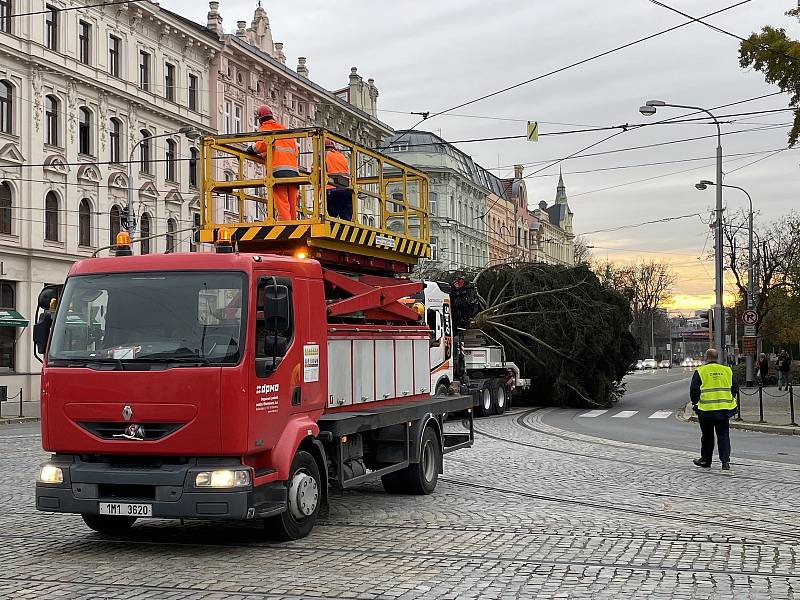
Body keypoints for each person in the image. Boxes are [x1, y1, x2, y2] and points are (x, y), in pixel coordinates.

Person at [690, 348, 738, 471]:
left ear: (706, 357)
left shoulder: (700, 371)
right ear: (717, 358)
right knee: (723, 435)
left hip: (706, 410)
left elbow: (694, 391)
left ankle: (706, 460)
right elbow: (734, 388)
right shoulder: (727, 370)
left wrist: (696, 404)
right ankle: (725, 461)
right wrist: (729, 399)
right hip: (724, 409)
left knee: (707, 436)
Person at [251, 105, 298, 221]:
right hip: (293, 173)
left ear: (260, 120)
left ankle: (287, 228)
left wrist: (251, 149)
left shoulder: (264, 129)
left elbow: (260, 146)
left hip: (278, 172)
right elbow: (296, 151)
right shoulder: (284, 129)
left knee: (282, 203)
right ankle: (295, 225)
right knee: (293, 205)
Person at [324, 139, 352, 220]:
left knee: (330, 217)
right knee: (346, 219)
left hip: (332, 189)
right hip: (346, 190)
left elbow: (316, 171)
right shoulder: (342, 156)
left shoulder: (323, 154)